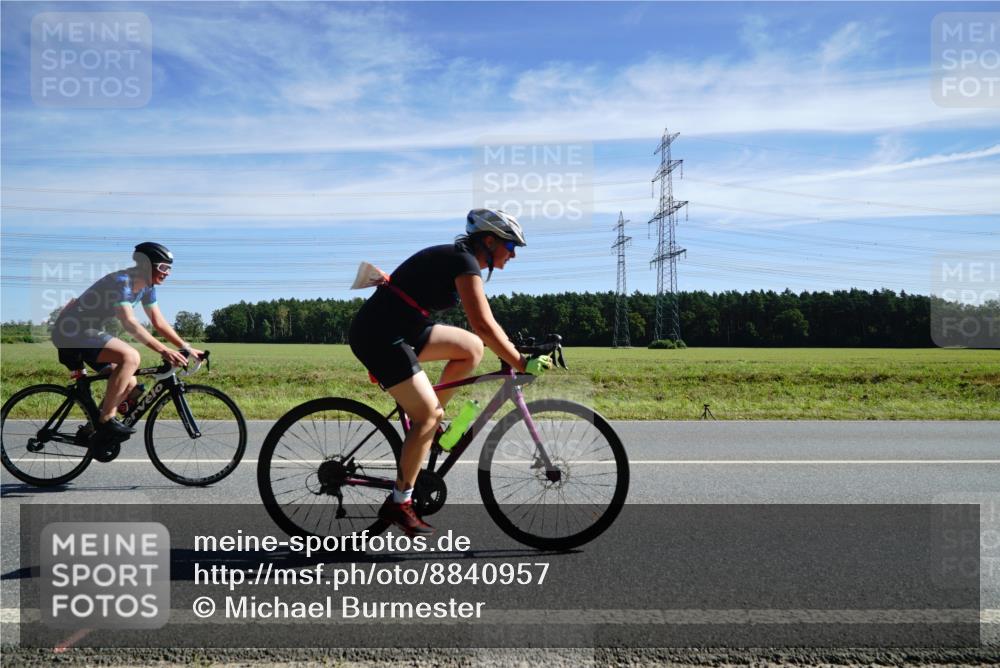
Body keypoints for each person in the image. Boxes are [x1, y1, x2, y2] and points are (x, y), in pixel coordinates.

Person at [348, 209, 553, 536]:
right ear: (489, 241)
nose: (513, 254)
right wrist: (519, 362)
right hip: (380, 336)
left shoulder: (464, 261)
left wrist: (515, 348)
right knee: (429, 414)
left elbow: (485, 328)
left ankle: (427, 425)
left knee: (471, 348)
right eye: (510, 246)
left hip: (407, 329)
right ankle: (400, 501)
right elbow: (484, 324)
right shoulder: (463, 261)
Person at [51, 242, 201, 451]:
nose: (167, 273)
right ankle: (106, 419)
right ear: (147, 265)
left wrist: (186, 346)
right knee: (130, 357)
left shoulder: (147, 288)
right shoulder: (121, 282)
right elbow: (129, 322)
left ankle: (91, 432)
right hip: (72, 332)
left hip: (85, 333)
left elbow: (158, 322)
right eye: (164, 267)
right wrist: (163, 350)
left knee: (129, 382)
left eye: (170, 268)